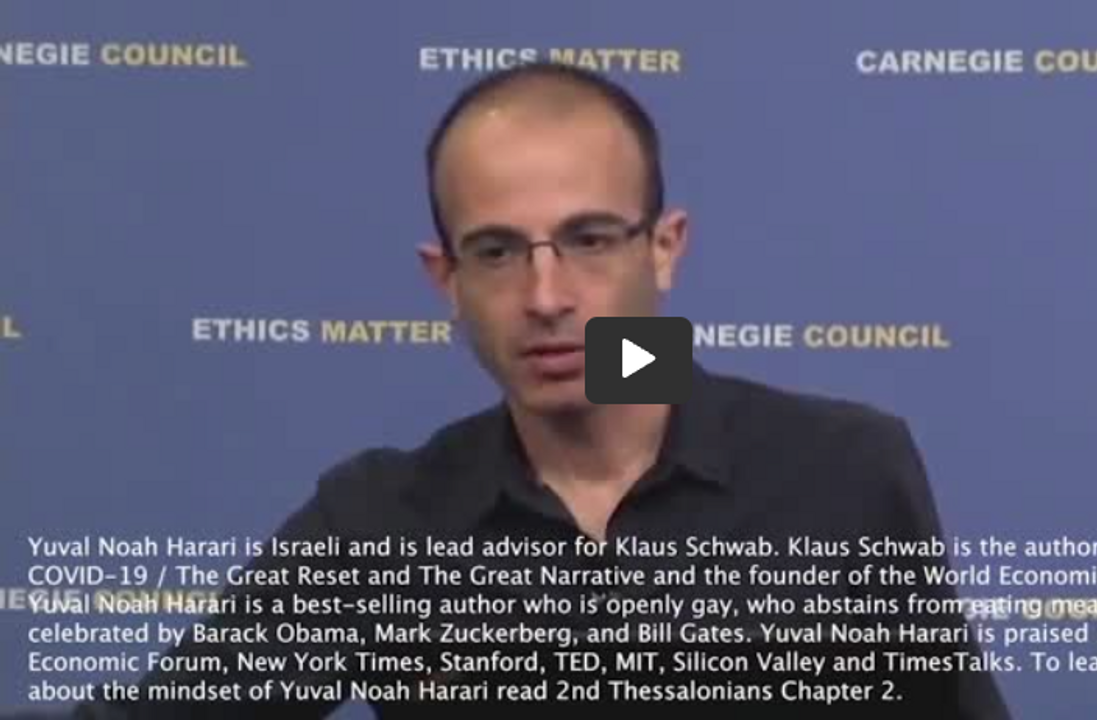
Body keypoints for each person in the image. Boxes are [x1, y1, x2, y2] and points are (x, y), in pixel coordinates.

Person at [18, 61, 1011, 718]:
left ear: (663, 249)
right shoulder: (380, 521)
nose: (546, 297)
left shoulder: (842, 470)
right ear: (445, 279)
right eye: (496, 251)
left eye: (589, 239)